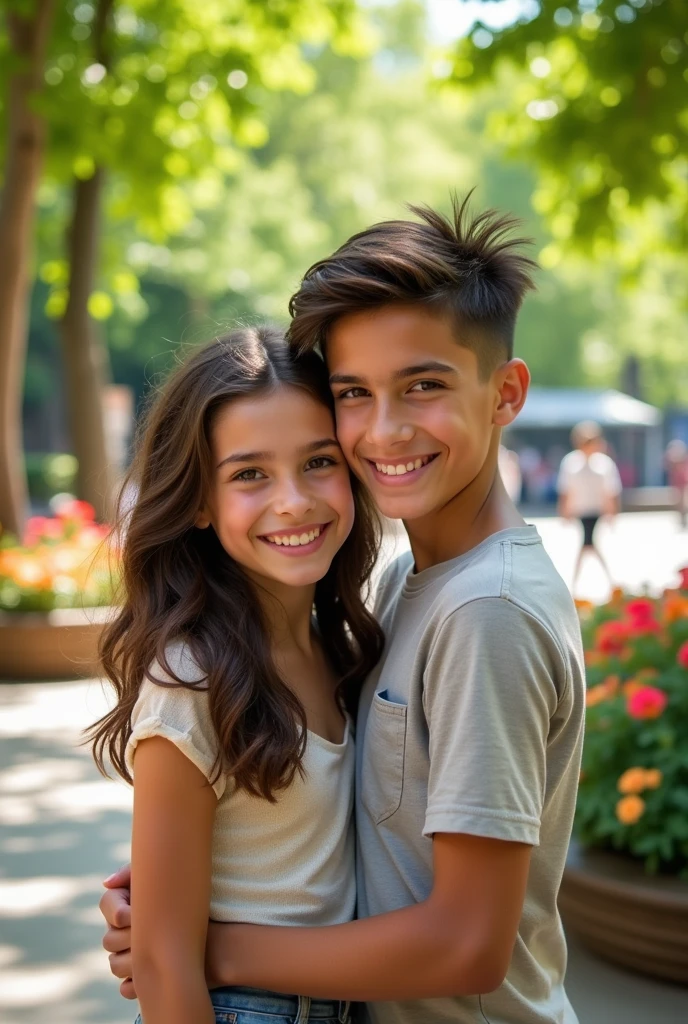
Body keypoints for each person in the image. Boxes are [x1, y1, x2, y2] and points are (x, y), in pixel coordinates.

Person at [101, 197, 586, 1024]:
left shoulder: (486, 612)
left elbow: (469, 944)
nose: (386, 430)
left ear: (505, 395)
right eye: (354, 393)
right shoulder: (399, 592)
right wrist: (180, 887)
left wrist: (198, 942)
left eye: (423, 386)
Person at [89, 326, 384, 1024]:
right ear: (198, 501)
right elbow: (162, 963)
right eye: (250, 474)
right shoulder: (191, 679)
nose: (294, 500)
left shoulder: (340, 649)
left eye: (319, 461)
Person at [557, 420, 622, 594]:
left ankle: (601, 583)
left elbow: (611, 491)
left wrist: (612, 513)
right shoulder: (571, 462)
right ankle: (582, 584)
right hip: (580, 511)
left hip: (597, 511)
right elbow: (565, 490)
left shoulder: (604, 463)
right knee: (587, 545)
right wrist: (565, 512)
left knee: (589, 545)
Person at [665, 439, 688, 528]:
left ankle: (683, 519)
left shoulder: (682, 460)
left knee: (683, 501)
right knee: (679, 501)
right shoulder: (673, 461)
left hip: (683, 481)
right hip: (677, 483)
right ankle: (682, 519)